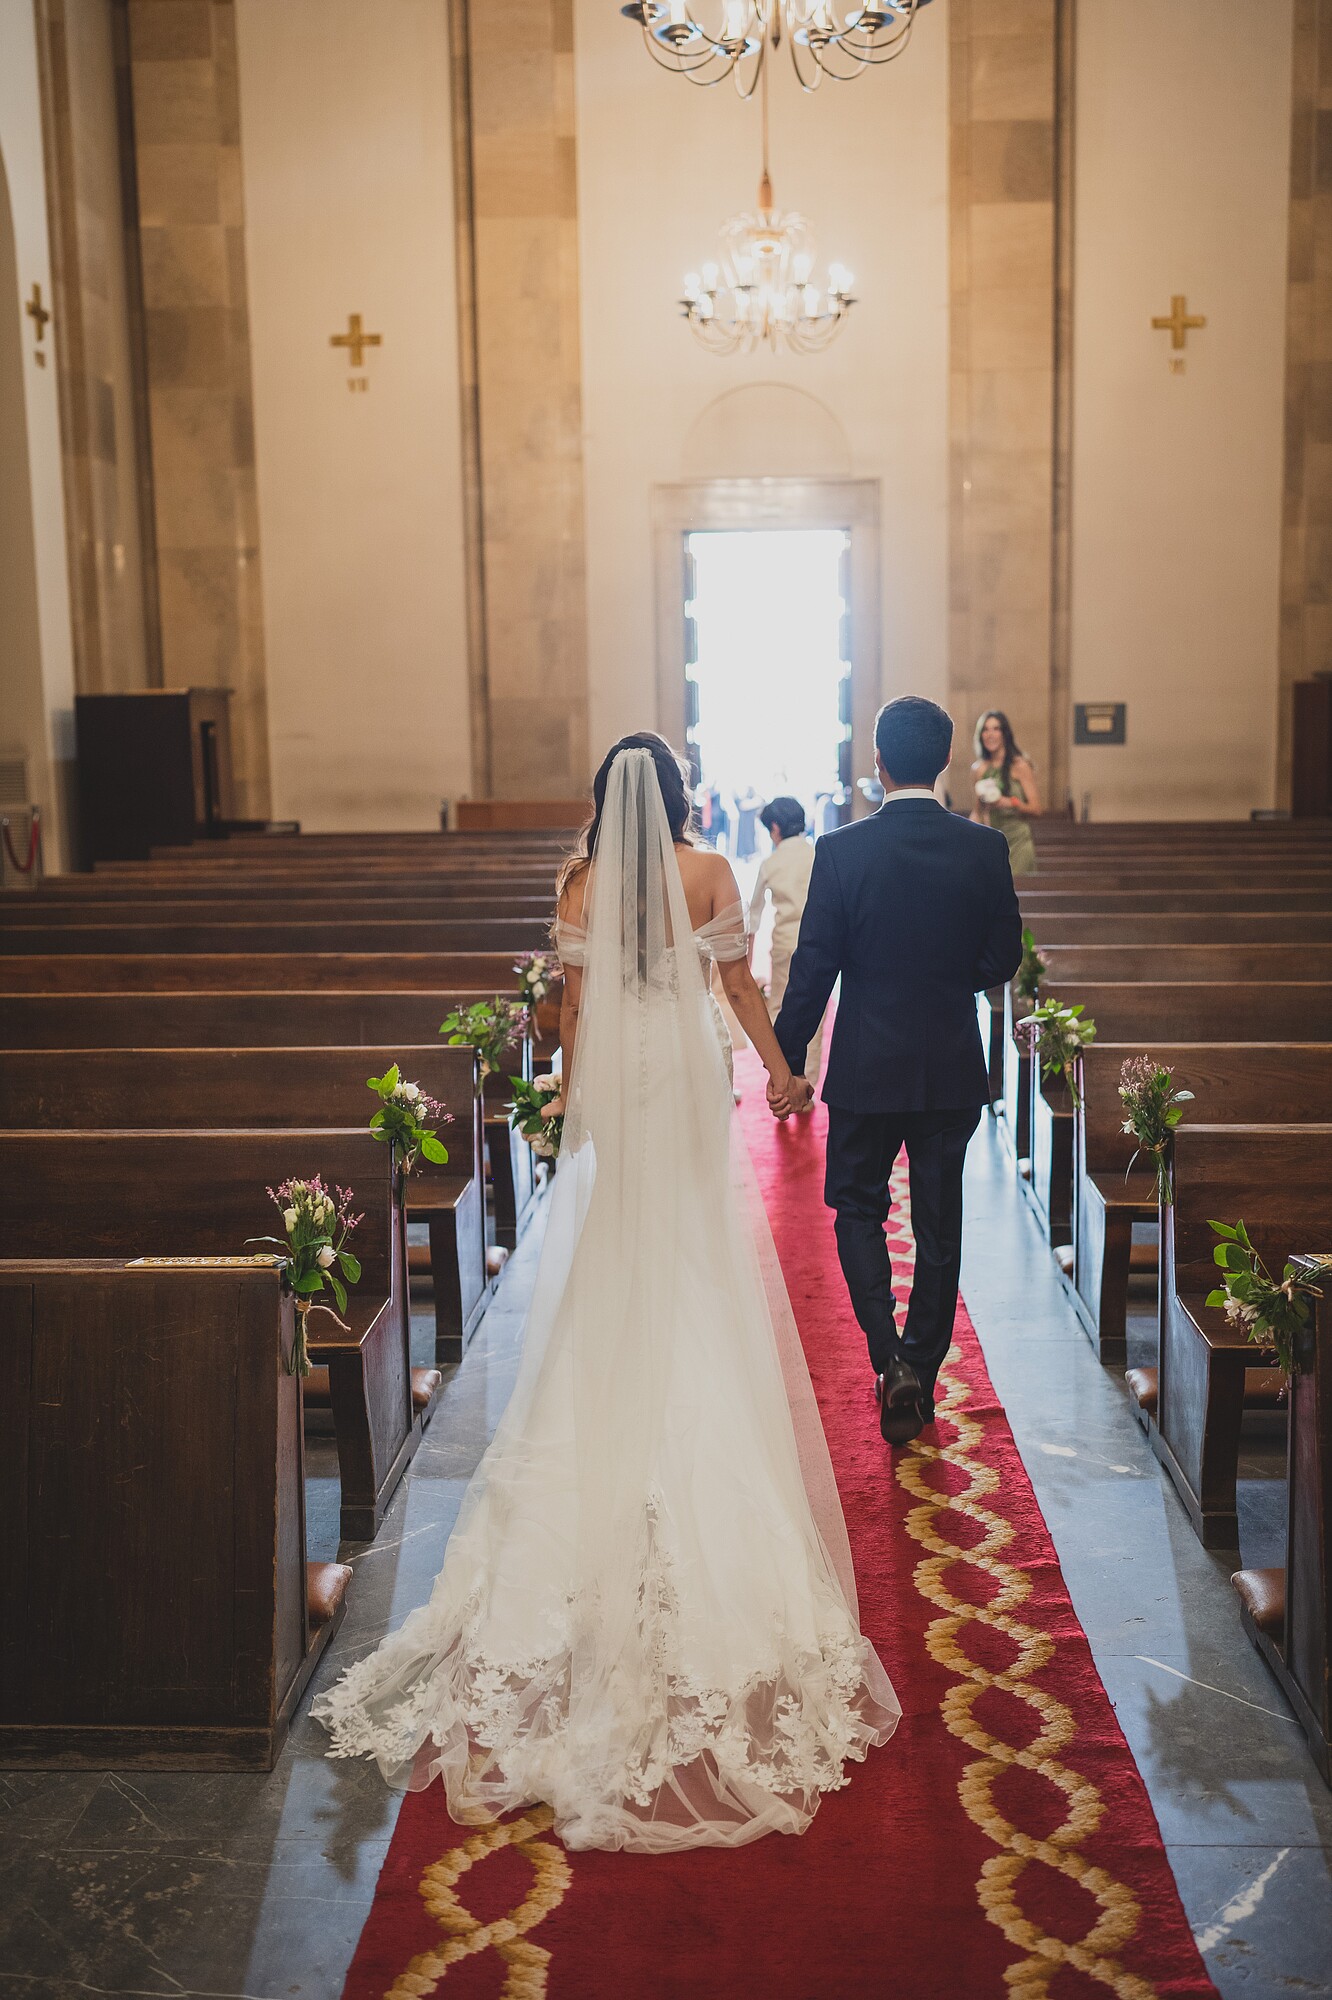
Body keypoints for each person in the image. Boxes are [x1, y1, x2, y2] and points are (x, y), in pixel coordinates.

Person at [314, 733, 899, 1850]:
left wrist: (568, 1112)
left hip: (618, 1093)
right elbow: (734, 985)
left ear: (603, 801)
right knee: (689, 1251)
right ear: (677, 798)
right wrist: (779, 1069)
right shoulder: (708, 871)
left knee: (610, 1255)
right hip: (681, 1079)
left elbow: (571, 1013)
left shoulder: (582, 882)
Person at [773, 697, 1023, 1447]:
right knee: (939, 1222)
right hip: (949, 1063)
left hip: (866, 1067)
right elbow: (1002, 958)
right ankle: (920, 1360)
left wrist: (786, 1061)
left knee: (857, 1208)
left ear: (879, 763)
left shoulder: (842, 851)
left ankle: (891, 1360)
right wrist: (947, 983)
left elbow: (813, 970)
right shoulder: (981, 850)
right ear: (945, 761)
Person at [748, 795, 824, 1090]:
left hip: (783, 947)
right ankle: (807, 1084)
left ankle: (782, 1080)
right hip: (816, 945)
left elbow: (753, 917)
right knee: (815, 1014)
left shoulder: (771, 863)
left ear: (776, 828)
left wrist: (748, 962)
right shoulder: (818, 853)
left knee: (779, 1009)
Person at [970, 709, 1040, 875]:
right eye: (985, 730)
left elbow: (1036, 809)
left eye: (996, 729)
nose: (990, 734)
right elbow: (977, 812)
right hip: (992, 841)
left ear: (1004, 733)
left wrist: (1010, 802)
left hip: (1018, 840)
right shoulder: (978, 769)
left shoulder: (1020, 766)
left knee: (1019, 893)